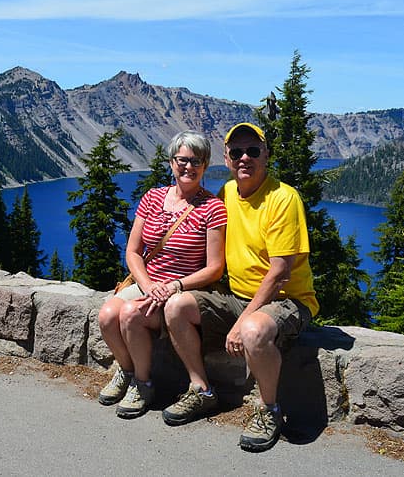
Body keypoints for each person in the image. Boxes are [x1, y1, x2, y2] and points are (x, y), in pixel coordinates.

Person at [162, 122, 318, 452]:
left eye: (253, 151)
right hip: (237, 295)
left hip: (287, 299)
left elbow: (279, 273)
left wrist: (240, 322)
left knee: (252, 331)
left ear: (266, 154)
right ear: (227, 158)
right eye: (236, 152)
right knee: (175, 307)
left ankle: (269, 410)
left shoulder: (283, 199)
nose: (244, 157)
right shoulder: (229, 192)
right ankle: (201, 390)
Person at [97, 130, 227, 419]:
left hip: (185, 288)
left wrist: (173, 286)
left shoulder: (213, 207)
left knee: (130, 314)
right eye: (182, 160)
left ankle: (143, 384)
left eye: (197, 161)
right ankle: (126, 371)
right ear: (171, 162)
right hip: (149, 282)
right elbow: (133, 251)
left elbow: (214, 267)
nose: (188, 167)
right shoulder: (153, 198)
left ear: (205, 166)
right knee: (107, 315)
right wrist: (148, 284)